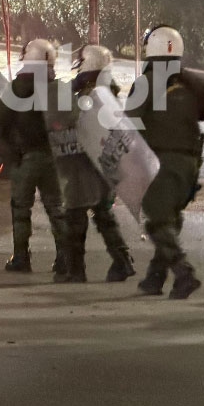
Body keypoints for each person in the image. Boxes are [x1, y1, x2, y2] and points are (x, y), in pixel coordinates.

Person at [126, 26, 204, 299]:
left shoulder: (146, 82)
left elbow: (129, 123)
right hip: (189, 165)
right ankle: (155, 278)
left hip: (159, 162)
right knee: (169, 217)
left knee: (157, 221)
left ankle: (184, 274)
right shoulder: (190, 83)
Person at [0, 38, 71, 275]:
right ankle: (65, 258)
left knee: (20, 208)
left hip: (25, 157)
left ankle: (21, 257)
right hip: (54, 157)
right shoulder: (58, 89)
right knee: (56, 207)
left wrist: (4, 149)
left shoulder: (17, 88)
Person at [61, 44, 136, 282]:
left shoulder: (88, 95)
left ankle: (75, 270)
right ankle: (122, 261)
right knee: (103, 213)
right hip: (107, 162)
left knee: (75, 212)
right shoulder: (109, 92)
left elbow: (74, 122)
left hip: (84, 163)